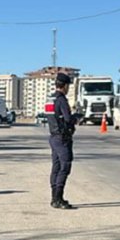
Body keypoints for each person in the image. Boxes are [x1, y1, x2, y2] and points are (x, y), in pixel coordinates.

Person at [45, 72, 78, 209]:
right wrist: (76, 117)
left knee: (56, 167)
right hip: (62, 138)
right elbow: (68, 119)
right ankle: (58, 198)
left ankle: (54, 198)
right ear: (64, 86)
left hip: (53, 136)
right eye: (68, 86)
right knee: (65, 167)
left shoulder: (49, 99)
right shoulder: (61, 100)